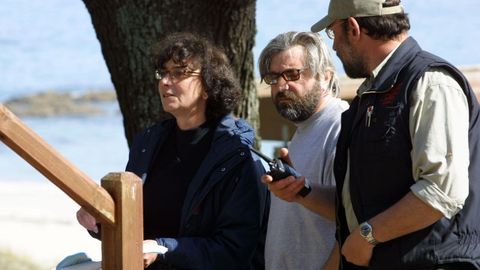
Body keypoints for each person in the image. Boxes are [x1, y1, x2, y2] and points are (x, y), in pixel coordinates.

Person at [306, 0, 480, 269]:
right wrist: (302, 192)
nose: (334, 47)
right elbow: (361, 205)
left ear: (353, 27)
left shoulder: (431, 82)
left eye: (333, 33)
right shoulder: (372, 94)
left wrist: (368, 236)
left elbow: (442, 189)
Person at [76, 32, 270, 270]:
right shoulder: (147, 143)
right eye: (163, 73)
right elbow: (133, 225)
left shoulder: (237, 157)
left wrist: (161, 249)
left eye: (178, 73)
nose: (165, 81)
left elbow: (233, 251)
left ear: (208, 86)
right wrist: (98, 219)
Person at [258, 31, 348, 270]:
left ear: (326, 77)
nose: (281, 85)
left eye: (292, 74)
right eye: (273, 77)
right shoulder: (304, 131)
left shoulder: (341, 126)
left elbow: (355, 217)